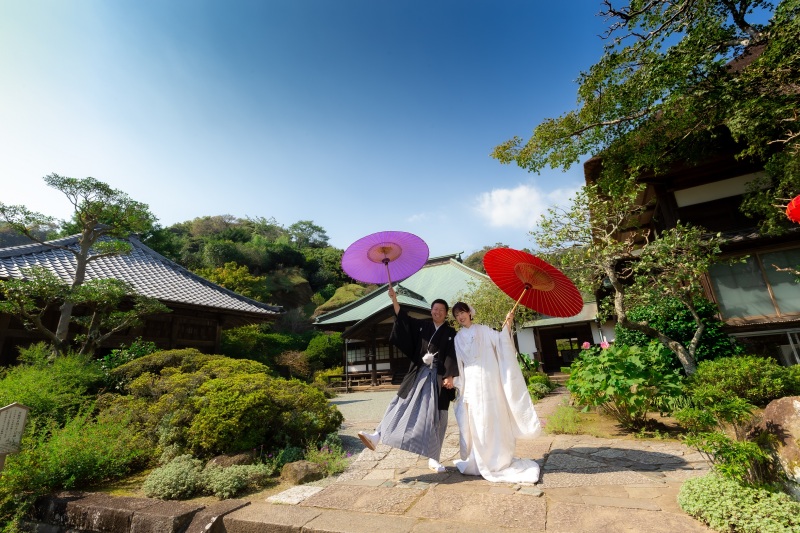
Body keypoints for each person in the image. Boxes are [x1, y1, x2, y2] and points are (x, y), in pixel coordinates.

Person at [357, 286, 458, 472]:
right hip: (418, 374)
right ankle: (377, 435)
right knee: (399, 405)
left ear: (445, 314)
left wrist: (450, 375)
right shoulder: (423, 326)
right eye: (435, 309)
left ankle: (434, 458)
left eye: (441, 310)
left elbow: (452, 354)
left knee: (437, 418)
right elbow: (403, 320)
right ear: (431, 311)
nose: (437, 312)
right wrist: (394, 299)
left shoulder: (451, 333)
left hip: (438, 378)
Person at [450, 301, 543, 483]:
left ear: (469, 312)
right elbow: (459, 364)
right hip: (471, 382)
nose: (460, 317)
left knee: (493, 418)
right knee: (477, 420)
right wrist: (459, 383)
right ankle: (479, 460)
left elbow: (501, 341)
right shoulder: (457, 338)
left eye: (462, 312)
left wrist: (507, 323)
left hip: (490, 380)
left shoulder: (484, 330)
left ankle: (498, 459)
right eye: (456, 315)